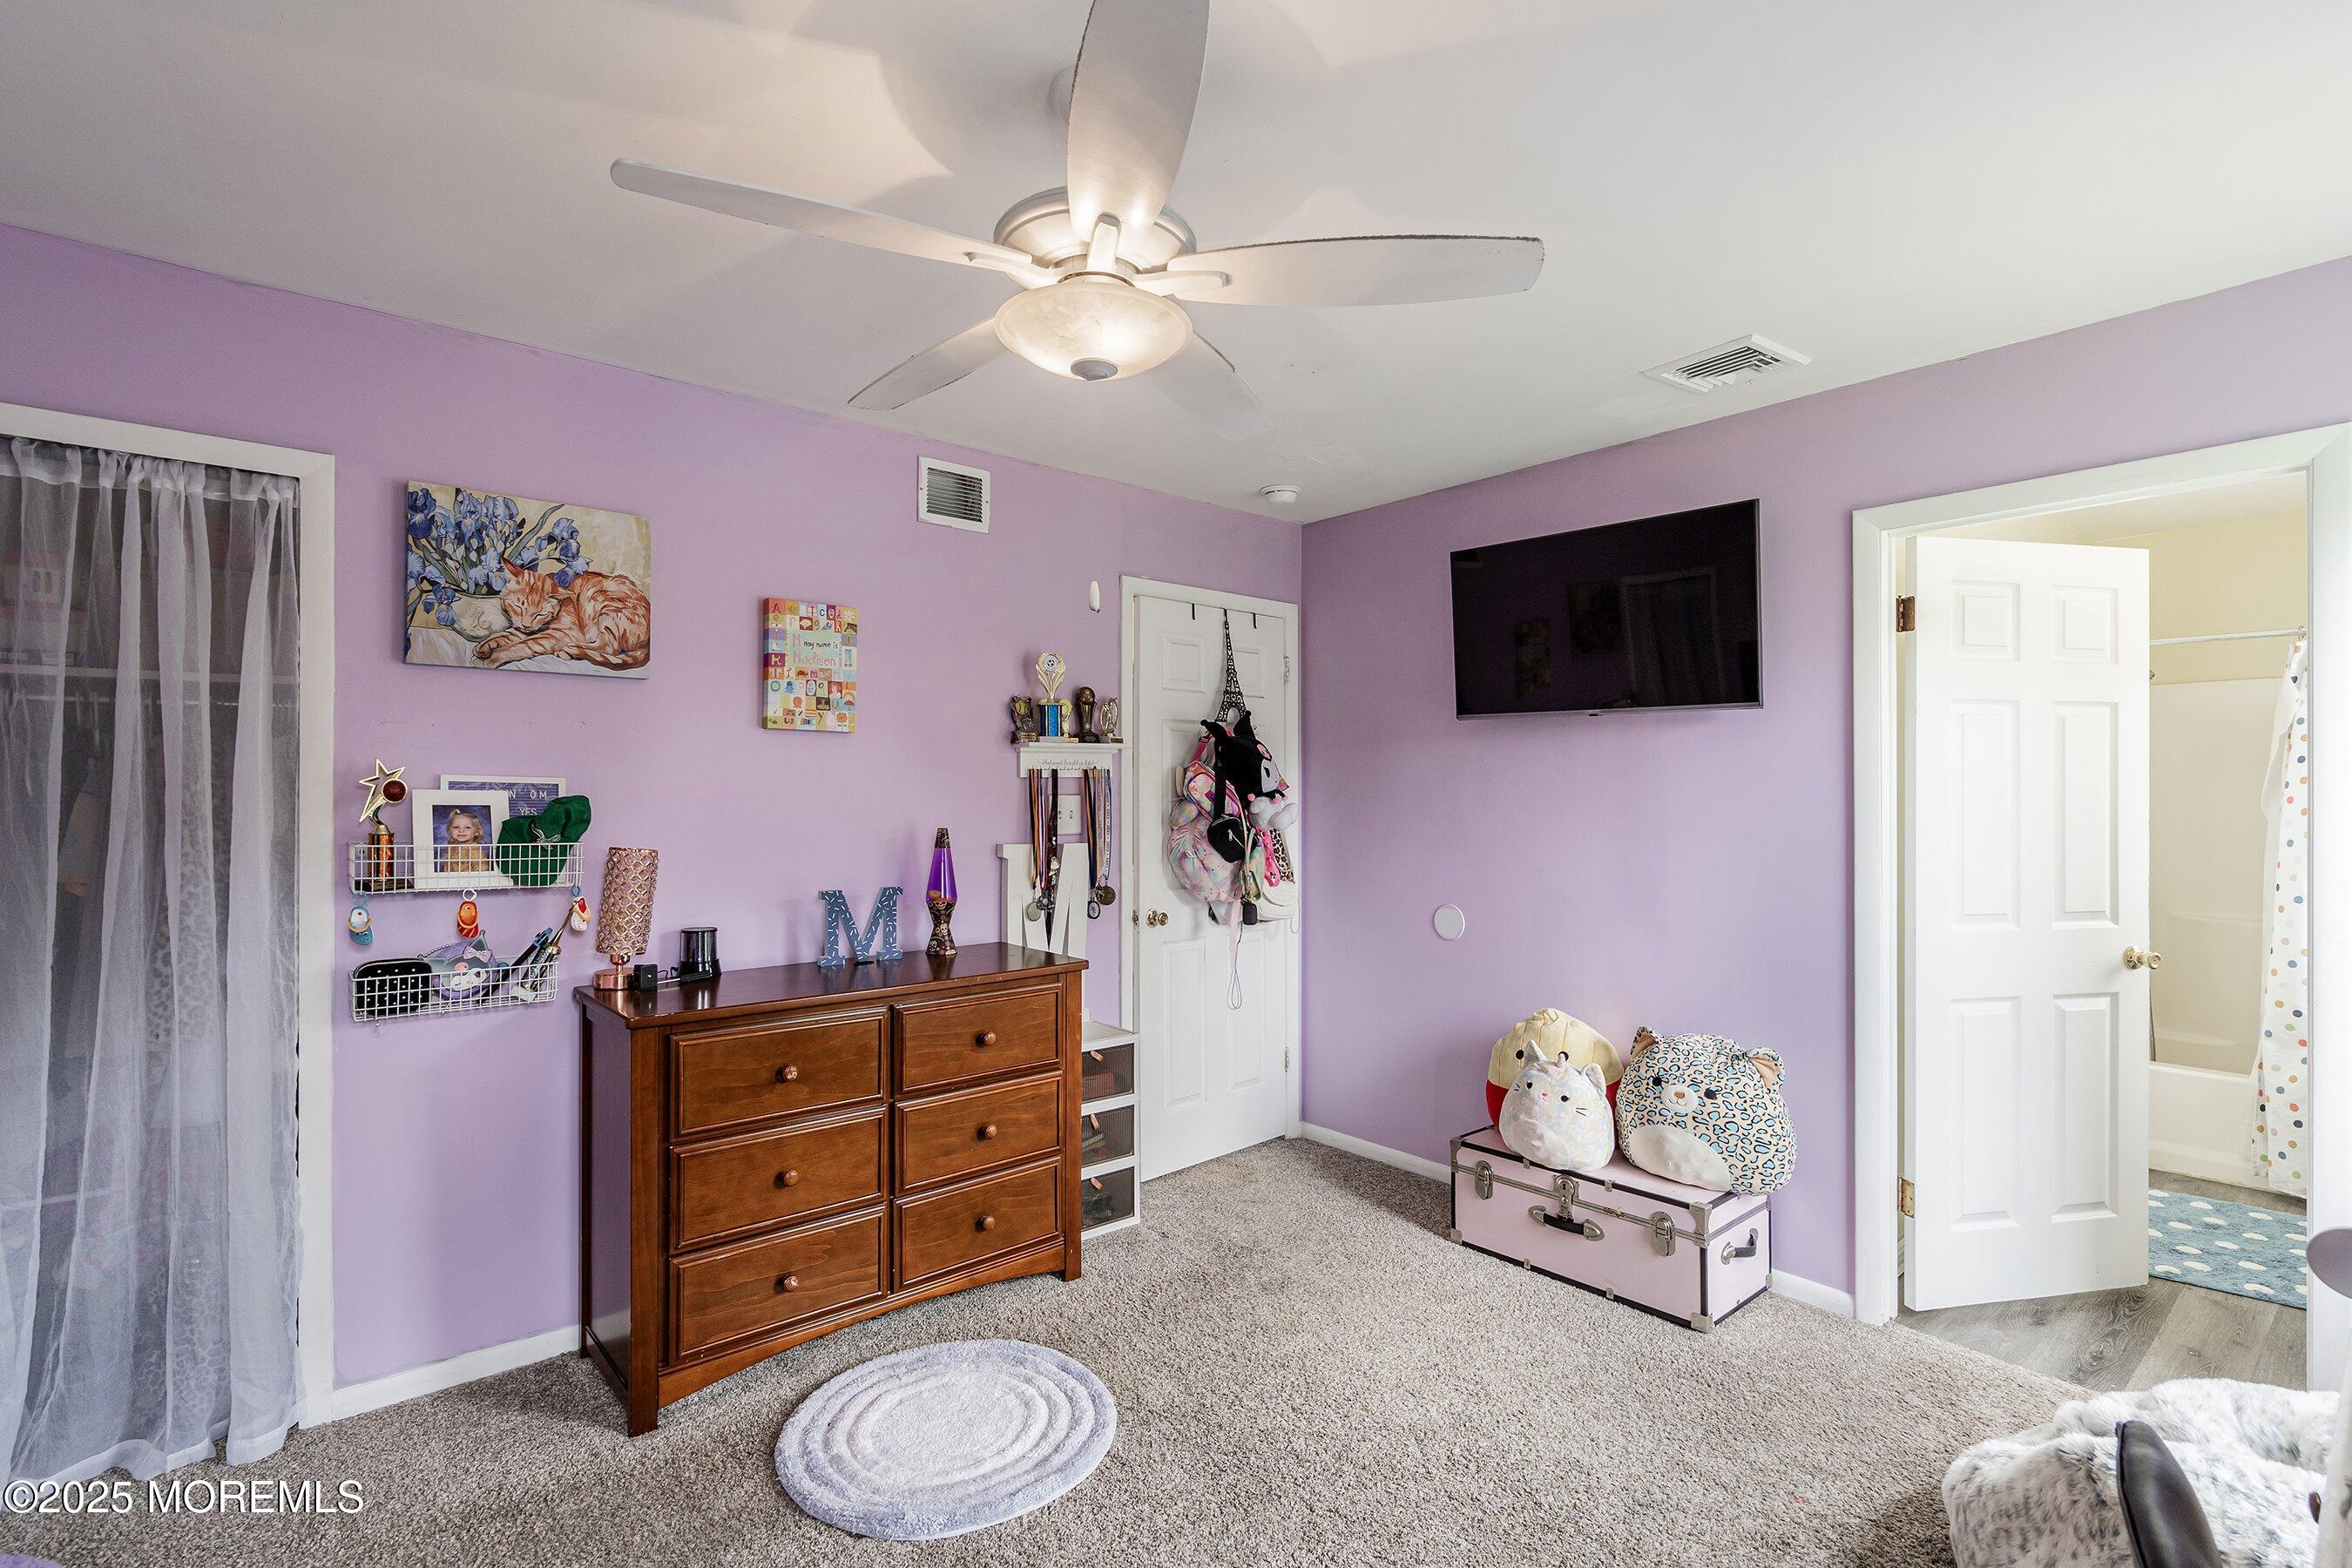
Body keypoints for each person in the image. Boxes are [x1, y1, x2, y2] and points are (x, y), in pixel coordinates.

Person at [441, 806, 493, 875]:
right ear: (449, 831)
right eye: (456, 827)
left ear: (477, 832)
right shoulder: (451, 849)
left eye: (467, 827)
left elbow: (482, 871)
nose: (461, 830)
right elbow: (447, 868)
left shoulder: (475, 851)